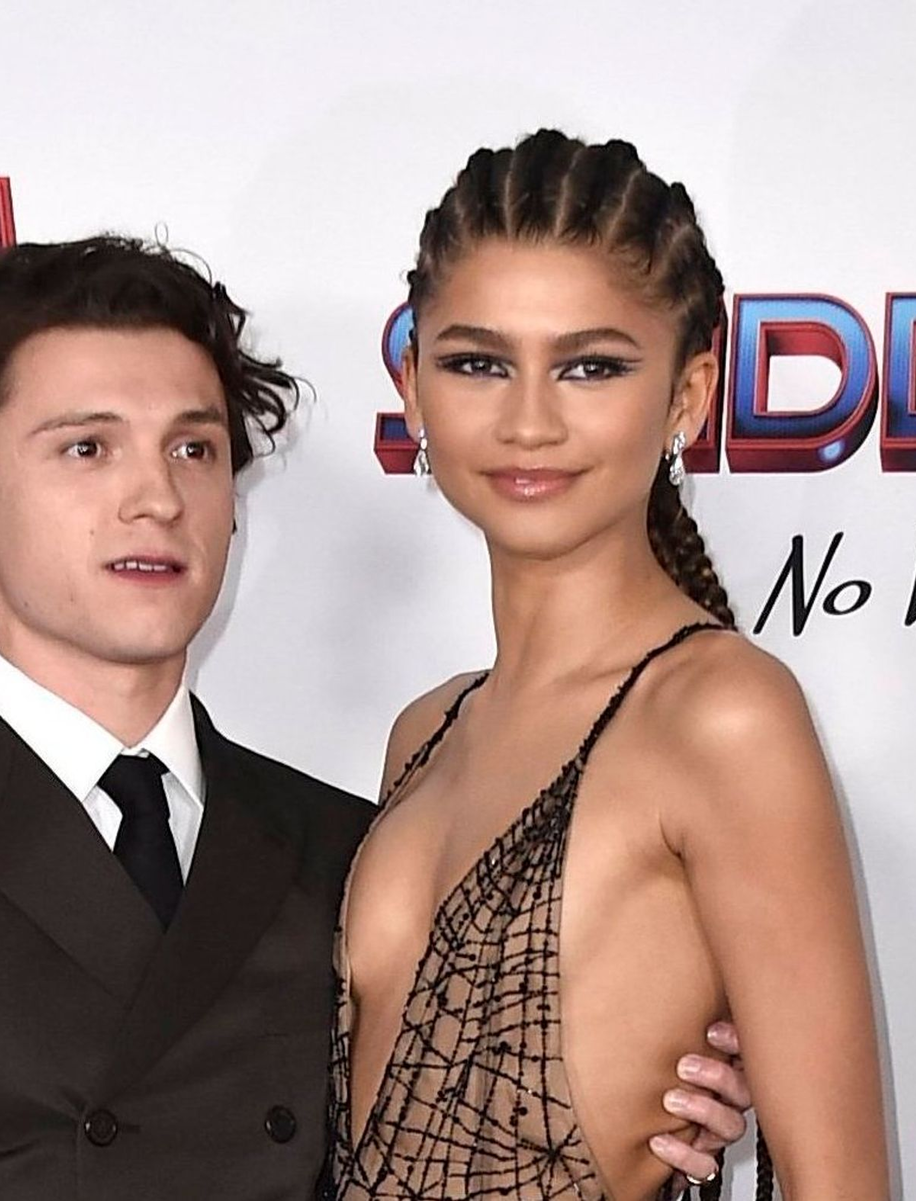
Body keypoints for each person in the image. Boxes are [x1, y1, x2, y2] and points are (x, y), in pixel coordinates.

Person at [0, 235, 751, 1200]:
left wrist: (645, 1094)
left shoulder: (351, 852)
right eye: (86, 449)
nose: (155, 498)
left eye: (194, 449)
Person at [329, 131, 888, 1200]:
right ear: (412, 383)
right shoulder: (428, 727)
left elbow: (842, 1185)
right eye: (477, 362)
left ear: (688, 394)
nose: (529, 420)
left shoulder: (722, 713)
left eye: (591, 365)